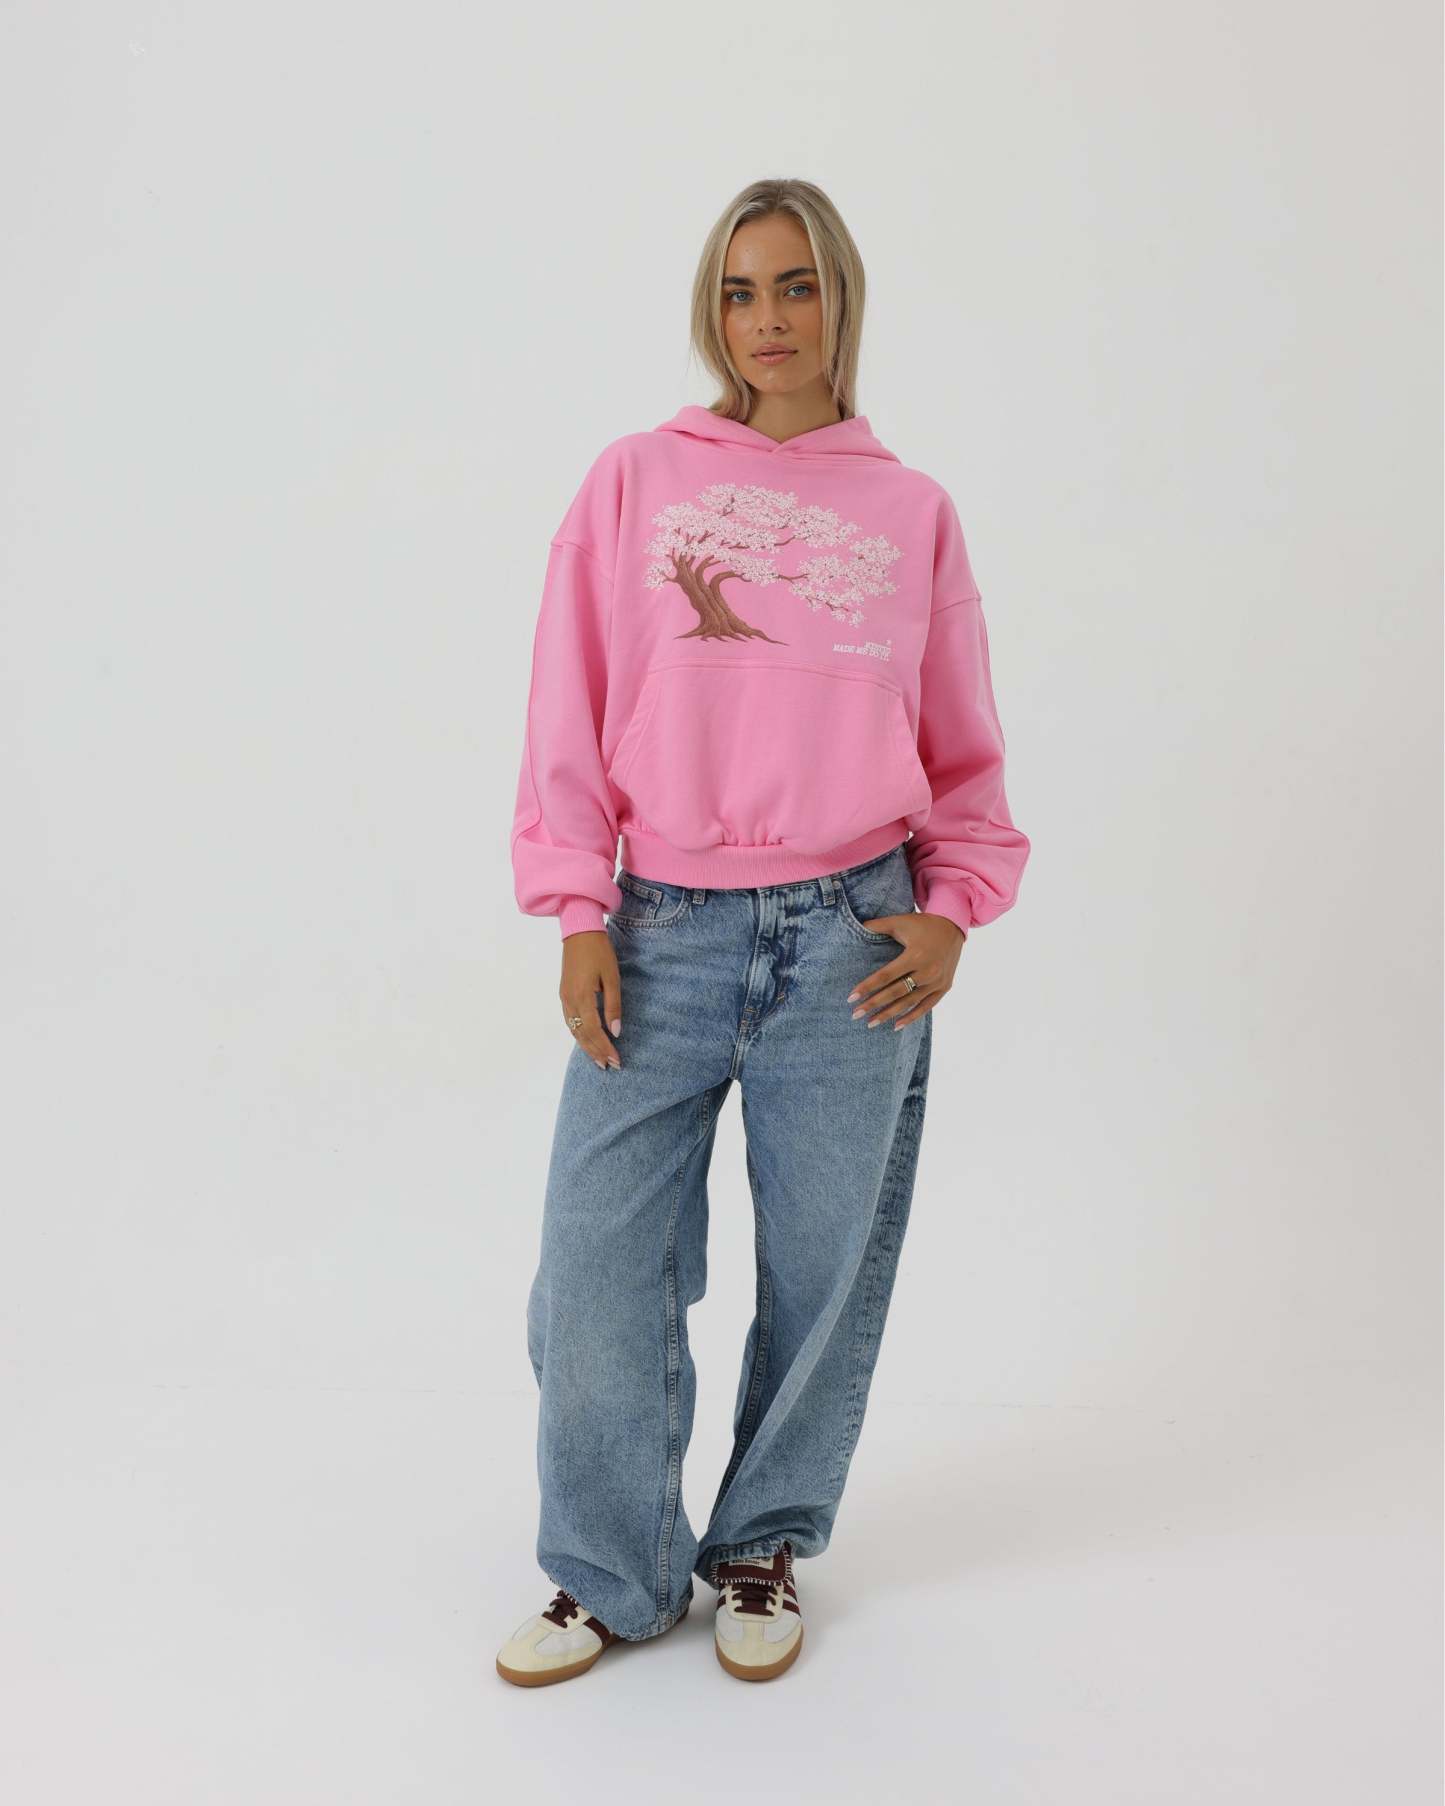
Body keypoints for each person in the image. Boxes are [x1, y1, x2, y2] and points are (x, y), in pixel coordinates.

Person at [496, 178, 1031, 1687]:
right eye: (740, 290)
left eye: (796, 285)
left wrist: (953, 908)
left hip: (852, 938)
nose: (768, 319)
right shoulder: (635, 481)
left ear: (839, 298)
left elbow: (961, 741)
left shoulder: (911, 511)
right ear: (710, 309)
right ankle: (609, 1572)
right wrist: (578, 905)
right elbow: (565, 701)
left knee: (821, 1269)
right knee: (594, 1266)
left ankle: (761, 1545)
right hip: (658, 931)